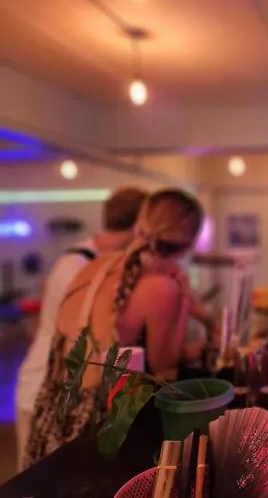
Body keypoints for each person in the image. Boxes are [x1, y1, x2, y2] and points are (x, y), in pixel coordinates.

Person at [22, 188, 204, 469]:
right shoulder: (161, 288)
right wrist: (183, 299)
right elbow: (165, 363)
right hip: (93, 429)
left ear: (139, 223)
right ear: (190, 243)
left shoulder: (95, 265)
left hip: (51, 415)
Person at [15, 186, 148, 469]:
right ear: (139, 225)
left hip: (59, 393)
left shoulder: (92, 261)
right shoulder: (79, 266)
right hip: (46, 394)